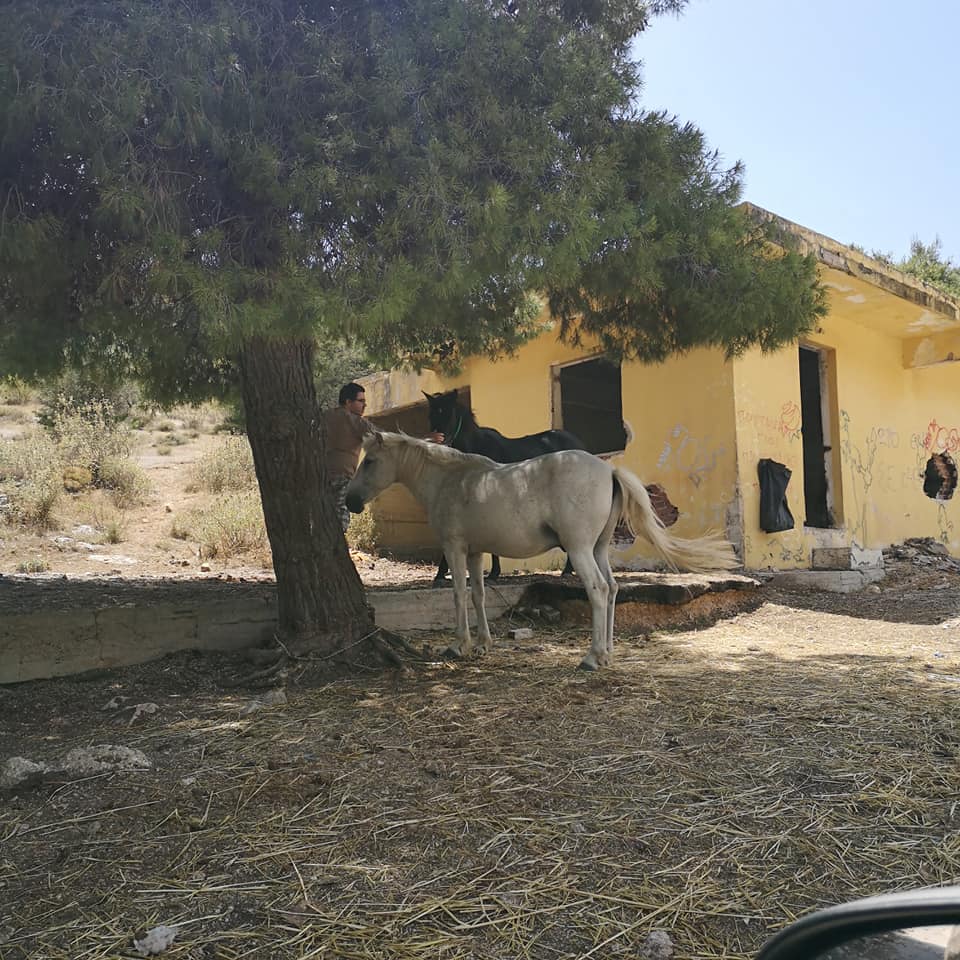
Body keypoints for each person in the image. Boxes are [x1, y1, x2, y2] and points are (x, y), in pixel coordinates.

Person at [324, 382, 375, 532]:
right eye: (361, 401)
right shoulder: (357, 422)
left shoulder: (325, 416)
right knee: (340, 522)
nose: (365, 405)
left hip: (319, 478)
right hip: (342, 479)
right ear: (348, 402)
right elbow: (384, 440)